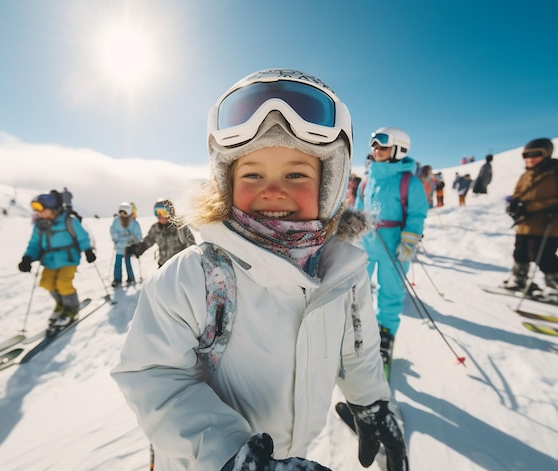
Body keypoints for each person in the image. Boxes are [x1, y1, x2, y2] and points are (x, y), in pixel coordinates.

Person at [112, 69, 407, 470]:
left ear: (329, 184)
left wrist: (370, 397)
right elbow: (153, 375)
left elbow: (355, 347)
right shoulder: (195, 277)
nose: (273, 189)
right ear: (226, 183)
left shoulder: (342, 272)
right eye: (252, 174)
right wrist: (229, 455)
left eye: (295, 174)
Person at [354, 127, 429, 371]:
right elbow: (357, 211)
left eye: (382, 146)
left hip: (393, 247)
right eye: (374, 146)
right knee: (358, 290)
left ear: (398, 149)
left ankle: (384, 334)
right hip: (366, 245)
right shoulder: (365, 181)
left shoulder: (409, 182)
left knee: (390, 292)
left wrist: (409, 241)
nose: (376, 150)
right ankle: (359, 328)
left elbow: (417, 214)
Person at [18, 190, 96, 327]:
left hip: (69, 258)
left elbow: (82, 237)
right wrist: (28, 258)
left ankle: (71, 309)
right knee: (47, 283)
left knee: (63, 283)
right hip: (49, 260)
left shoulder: (69, 221)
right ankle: (61, 305)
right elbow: (34, 244)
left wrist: (88, 250)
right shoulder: (40, 226)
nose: (38, 213)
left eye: (41, 209)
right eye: (35, 209)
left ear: (52, 208)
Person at [503, 138, 558, 300]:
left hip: (549, 223)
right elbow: (518, 194)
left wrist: (536, 207)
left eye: (535, 155)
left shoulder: (554, 172)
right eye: (526, 156)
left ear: (546, 154)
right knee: (520, 251)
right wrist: (514, 205)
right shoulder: (526, 175)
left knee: (542, 254)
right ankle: (519, 279)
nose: (530, 159)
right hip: (525, 223)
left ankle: (553, 285)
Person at [125, 198, 195, 268]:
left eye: (163, 212)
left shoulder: (180, 227)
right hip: (163, 267)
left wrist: (192, 262)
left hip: (179, 267)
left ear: (171, 212)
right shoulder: (156, 229)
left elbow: (192, 246)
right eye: (157, 213)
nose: (160, 216)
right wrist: (135, 249)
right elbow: (146, 242)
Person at [110, 202, 142, 287]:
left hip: (128, 248)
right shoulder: (116, 221)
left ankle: (131, 278)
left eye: (124, 212)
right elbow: (113, 231)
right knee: (117, 264)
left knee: (128, 263)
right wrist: (116, 238)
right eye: (120, 212)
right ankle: (117, 279)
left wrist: (133, 241)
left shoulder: (133, 222)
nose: (122, 214)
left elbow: (138, 235)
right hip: (119, 247)